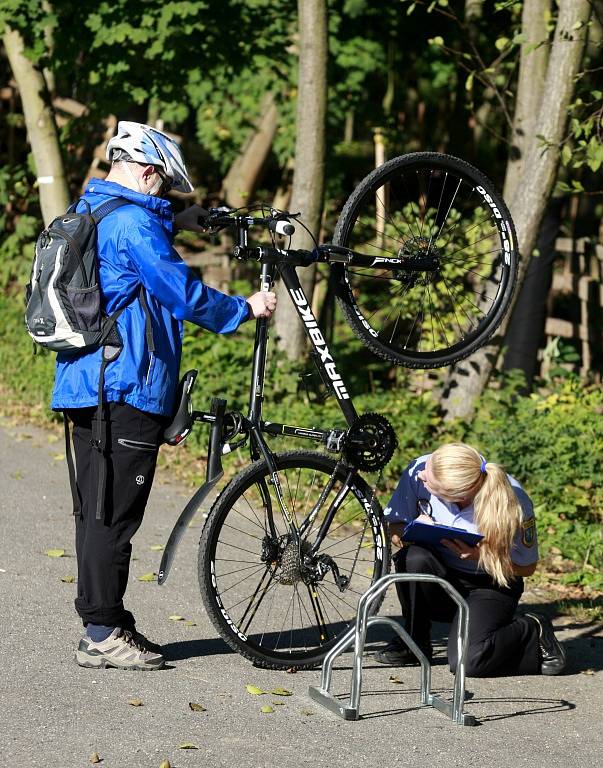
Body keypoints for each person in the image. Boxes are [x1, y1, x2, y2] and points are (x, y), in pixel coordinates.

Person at [51, 121, 277, 671]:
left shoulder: (96, 210)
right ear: (148, 172)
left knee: (97, 510)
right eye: (165, 185)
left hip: (89, 384)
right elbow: (180, 291)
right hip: (123, 388)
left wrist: (181, 218)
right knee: (113, 516)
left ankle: (105, 618)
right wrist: (243, 309)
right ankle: (101, 631)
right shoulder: (134, 225)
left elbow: (131, 246)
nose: (164, 193)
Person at [376, 442, 566, 677]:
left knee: (468, 662)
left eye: (429, 479)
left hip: (490, 584)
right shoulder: (420, 469)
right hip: (442, 576)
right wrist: (410, 531)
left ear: (457, 495)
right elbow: (394, 525)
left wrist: (481, 556)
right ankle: (414, 641)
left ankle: (531, 629)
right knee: (413, 557)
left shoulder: (512, 500)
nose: (422, 474)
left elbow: (527, 568)